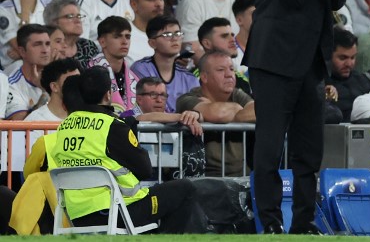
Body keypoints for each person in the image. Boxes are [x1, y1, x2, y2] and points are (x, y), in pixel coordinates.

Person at [245, 0, 350, 235]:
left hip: (311, 64)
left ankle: (304, 223)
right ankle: (271, 223)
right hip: (274, 62)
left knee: (309, 151)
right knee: (270, 148)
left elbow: (336, 0)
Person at [48, 66, 198, 232]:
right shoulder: (112, 126)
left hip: (76, 214)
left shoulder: (64, 126)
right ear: (107, 94)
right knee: (186, 189)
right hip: (117, 211)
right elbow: (145, 170)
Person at [176, 50, 255, 176]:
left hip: (242, 176)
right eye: (221, 70)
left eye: (231, 69)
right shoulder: (187, 99)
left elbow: (258, 111)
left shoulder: (237, 94)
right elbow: (218, 113)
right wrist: (239, 111)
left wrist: (231, 111)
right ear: (204, 77)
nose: (229, 75)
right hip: (205, 179)